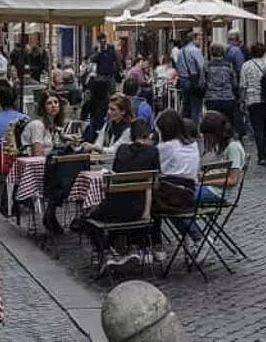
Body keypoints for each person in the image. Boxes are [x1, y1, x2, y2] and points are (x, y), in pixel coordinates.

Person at [86, 118, 162, 265]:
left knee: (87, 218)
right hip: (138, 209)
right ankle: (134, 248)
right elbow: (153, 183)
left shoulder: (122, 150)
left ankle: (105, 251)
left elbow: (116, 175)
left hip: (114, 208)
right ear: (149, 135)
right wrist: (146, 212)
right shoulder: (153, 152)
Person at [196, 110, 246, 203]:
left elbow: (233, 180)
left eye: (207, 136)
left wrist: (204, 182)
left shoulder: (233, 148)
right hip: (210, 187)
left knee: (179, 198)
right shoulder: (225, 146)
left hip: (216, 192)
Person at [240, 42, 266, 166]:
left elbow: (243, 86)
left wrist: (242, 100)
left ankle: (262, 155)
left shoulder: (246, 65)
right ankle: (265, 150)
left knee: (257, 127)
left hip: (253, 99)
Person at [202, 43, 240, 126]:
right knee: (227, 123)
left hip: (211, 98)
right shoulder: (229, 66)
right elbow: (235, 82)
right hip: (228, 98)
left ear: (211, 53)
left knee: (213, 124)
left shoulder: (207, 66)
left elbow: (202, 83)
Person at [175, 31, 207, 123]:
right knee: (196, 107)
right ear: (194, 39)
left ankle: (185, 126)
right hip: (194, 80)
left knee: (186, 106)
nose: (201, 41)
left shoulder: (181, 51)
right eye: (199, 39)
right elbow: (201, 67)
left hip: (183, 81)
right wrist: (203, 82)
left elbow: (178, 67)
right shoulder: (195, 51)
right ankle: (194, 128)